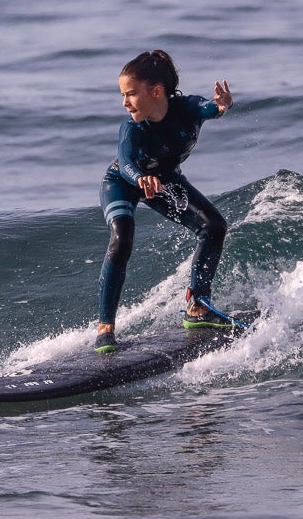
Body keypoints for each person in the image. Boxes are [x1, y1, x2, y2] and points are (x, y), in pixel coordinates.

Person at [94, 50, 234, 354]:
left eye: (130, 94)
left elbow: (209, 108)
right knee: (122, 238)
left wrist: (221, 107)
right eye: (123, 95)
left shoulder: (188, 107)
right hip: (121, 182)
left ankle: (197, 308)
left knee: (214, 227)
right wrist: (140, 178)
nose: (124, 102)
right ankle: (105, 328)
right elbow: (127, 161)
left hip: (164, 180)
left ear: (156, 92)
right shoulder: (131, 128)